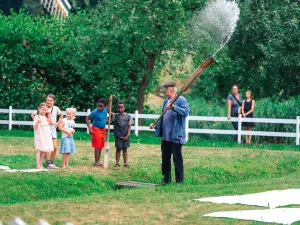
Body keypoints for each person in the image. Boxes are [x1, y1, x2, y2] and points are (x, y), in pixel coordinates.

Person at [150, 81, 190, 185]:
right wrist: (156, 125)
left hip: (176, 135)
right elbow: (164, 117)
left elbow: (186, 112)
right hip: (166, 136)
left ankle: (179, 181)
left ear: (171, 90)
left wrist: (173, 107)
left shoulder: (181, 100)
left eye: (166, 88)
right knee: (165, 158)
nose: (164, 90)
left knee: (177, 158)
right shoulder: (165, 101)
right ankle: (165, 180)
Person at [31, 94, 63, 168]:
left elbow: (61, 115)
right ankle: (47, 163)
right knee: (45, 145)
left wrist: (58, 123)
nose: (49, 102)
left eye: (50, 100)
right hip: (44, 128)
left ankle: (51, 162)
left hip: (52, 127)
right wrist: (38, 121)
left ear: (54, 102)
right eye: (47, 100)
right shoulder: (43, 107)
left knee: (54, 147)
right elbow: (33, 115)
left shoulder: (55, 108)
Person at [86, 97, 111, 167]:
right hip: (96, 130)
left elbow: (109, 108)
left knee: (100, 146)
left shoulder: (106, 110)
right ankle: (96, 162)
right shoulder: (95, 112)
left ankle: (98, 161)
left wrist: (109, 101)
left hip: (103, 130)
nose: (99, 108)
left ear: (105, 106)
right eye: (98, 106)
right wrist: (89, 129)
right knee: (97, 146)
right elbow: (87, 118)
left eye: (101, 107)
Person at [111, 101, 134, 168]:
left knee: (125, 149)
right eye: (118, 108)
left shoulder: (128, 117)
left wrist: (128, 135)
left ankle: (126, 163)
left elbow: (129, 126)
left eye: (121, 107)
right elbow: (109, 112)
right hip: (118, 136)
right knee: (118, 149)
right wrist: (110, 102)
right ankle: (117, 163)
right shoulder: (115, 116)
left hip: (126, 136)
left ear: (124, 108)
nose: (120, 109)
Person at [33, 103, 54, 169]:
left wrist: (49, 115)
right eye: (43, 109)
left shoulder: (45, 117)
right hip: (39, 136)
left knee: (42, 150)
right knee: (39, 150)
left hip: (45, 136)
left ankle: (40, 164)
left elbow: (52, 123)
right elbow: (34, 127)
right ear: (39, 109)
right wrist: (37, 122)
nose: (44, 111)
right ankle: (37, 165)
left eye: (45, 110)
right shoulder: (37, 117)